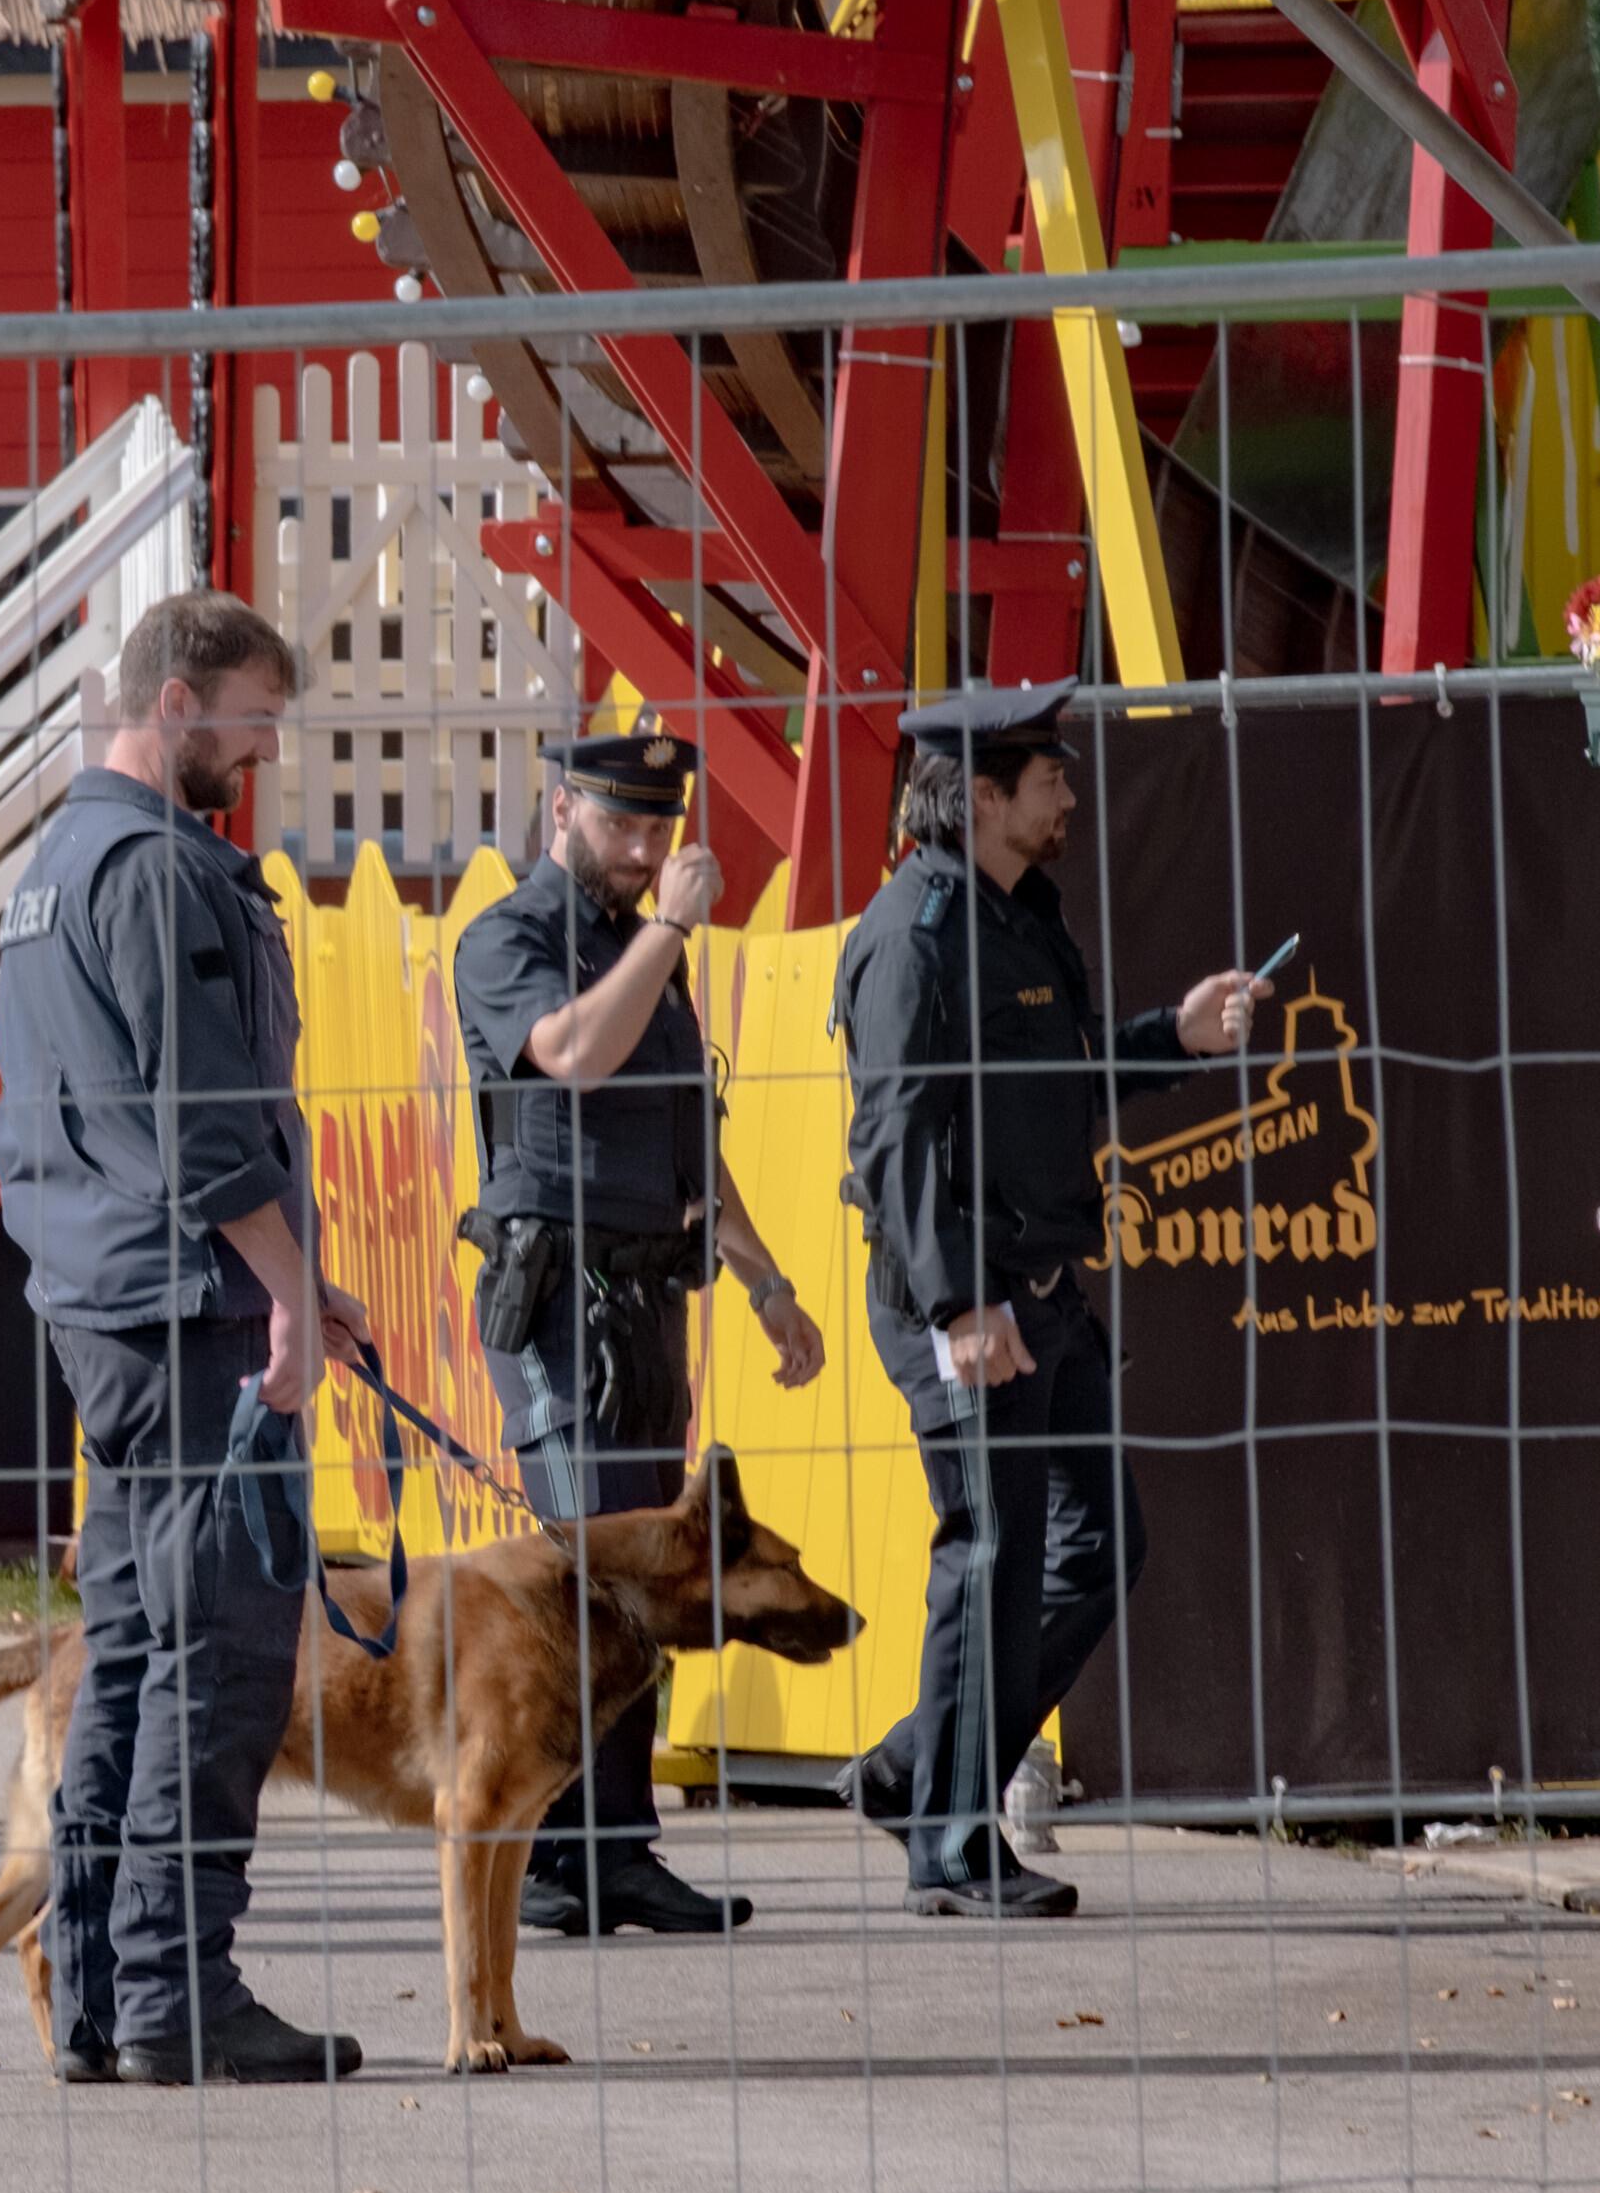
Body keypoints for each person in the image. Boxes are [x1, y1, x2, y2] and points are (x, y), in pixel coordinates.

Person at [0, 589, 365, 2086]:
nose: (266, 747)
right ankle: (174, 1988)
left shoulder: (59, 864)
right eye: (258, 713)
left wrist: (300, 1271)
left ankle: (102, 1989)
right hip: (188, 1309)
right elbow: (202, 1118)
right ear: (181, 699)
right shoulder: (152, 869)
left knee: (139, 1650)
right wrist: (281, 1286)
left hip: (120, 1302)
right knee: (217, 1654)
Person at [833, 684, 1271, 1920]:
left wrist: (1171, 1039)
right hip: (969, 1300)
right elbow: (897, 1140)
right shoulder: (915, 935)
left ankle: (920, 1766)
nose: (1069, 797)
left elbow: (1059, 1074)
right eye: (1049, 780)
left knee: (1096, 1543)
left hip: (1045, 1291)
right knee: (988, 1556)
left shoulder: (1020, 915)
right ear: (980, 794)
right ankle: (954, 1851)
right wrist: (959, 1307)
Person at [448, 729, 829, 1940]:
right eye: (622, 824)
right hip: (557, 1305)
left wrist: (764, 1280)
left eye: (659, 825)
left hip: (648, 1306)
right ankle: (573, 1845)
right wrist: (667, 930)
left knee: (651, 1577)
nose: (647, 847)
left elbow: (686, 1144)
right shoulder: (510, 938)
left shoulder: (638, 951)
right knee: (589, 1580)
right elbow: (567, 1053)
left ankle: (609, 1849)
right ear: (561, 810)